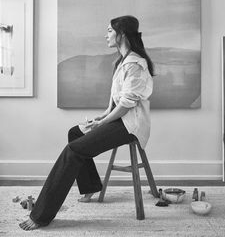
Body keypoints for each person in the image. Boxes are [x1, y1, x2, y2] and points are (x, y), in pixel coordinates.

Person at [19, 15, 155, 231]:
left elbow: (128, 105)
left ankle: (41, 215)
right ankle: (90, 187)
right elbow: (117, 102)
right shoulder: (122, 61)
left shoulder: (135, 64)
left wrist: (103, 123)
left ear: (121, 34)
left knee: (72, 151)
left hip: (130, 126)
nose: (106, 35)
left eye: (110, 31)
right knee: (75, 132)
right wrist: (101, 116)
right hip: (119, 118)